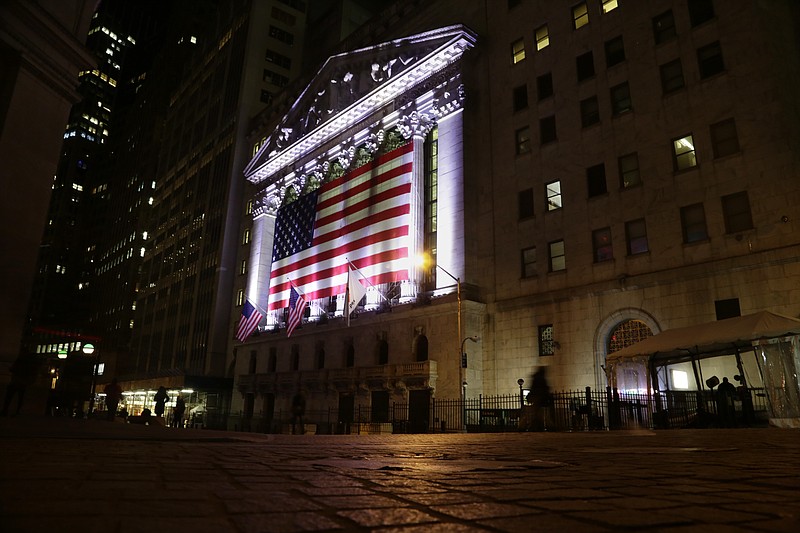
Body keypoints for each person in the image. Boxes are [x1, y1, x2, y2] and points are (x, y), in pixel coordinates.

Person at [1, 351, 40, 416]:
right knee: (20, 398)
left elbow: (14, 369)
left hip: (15, 382)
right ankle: (17, 411)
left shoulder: (20, 361)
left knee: (9, 397)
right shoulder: (31, 364)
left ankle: (5, 410)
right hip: (23, 383)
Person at [527, 367, 552, 431]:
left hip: (537, 397)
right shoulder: (541, 379)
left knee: (536, 412)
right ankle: (538, 425)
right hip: (539, 397)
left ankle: (536, 425)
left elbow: (532, 388)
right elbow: (544, 388)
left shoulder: (535, 378)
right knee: (540, 413)